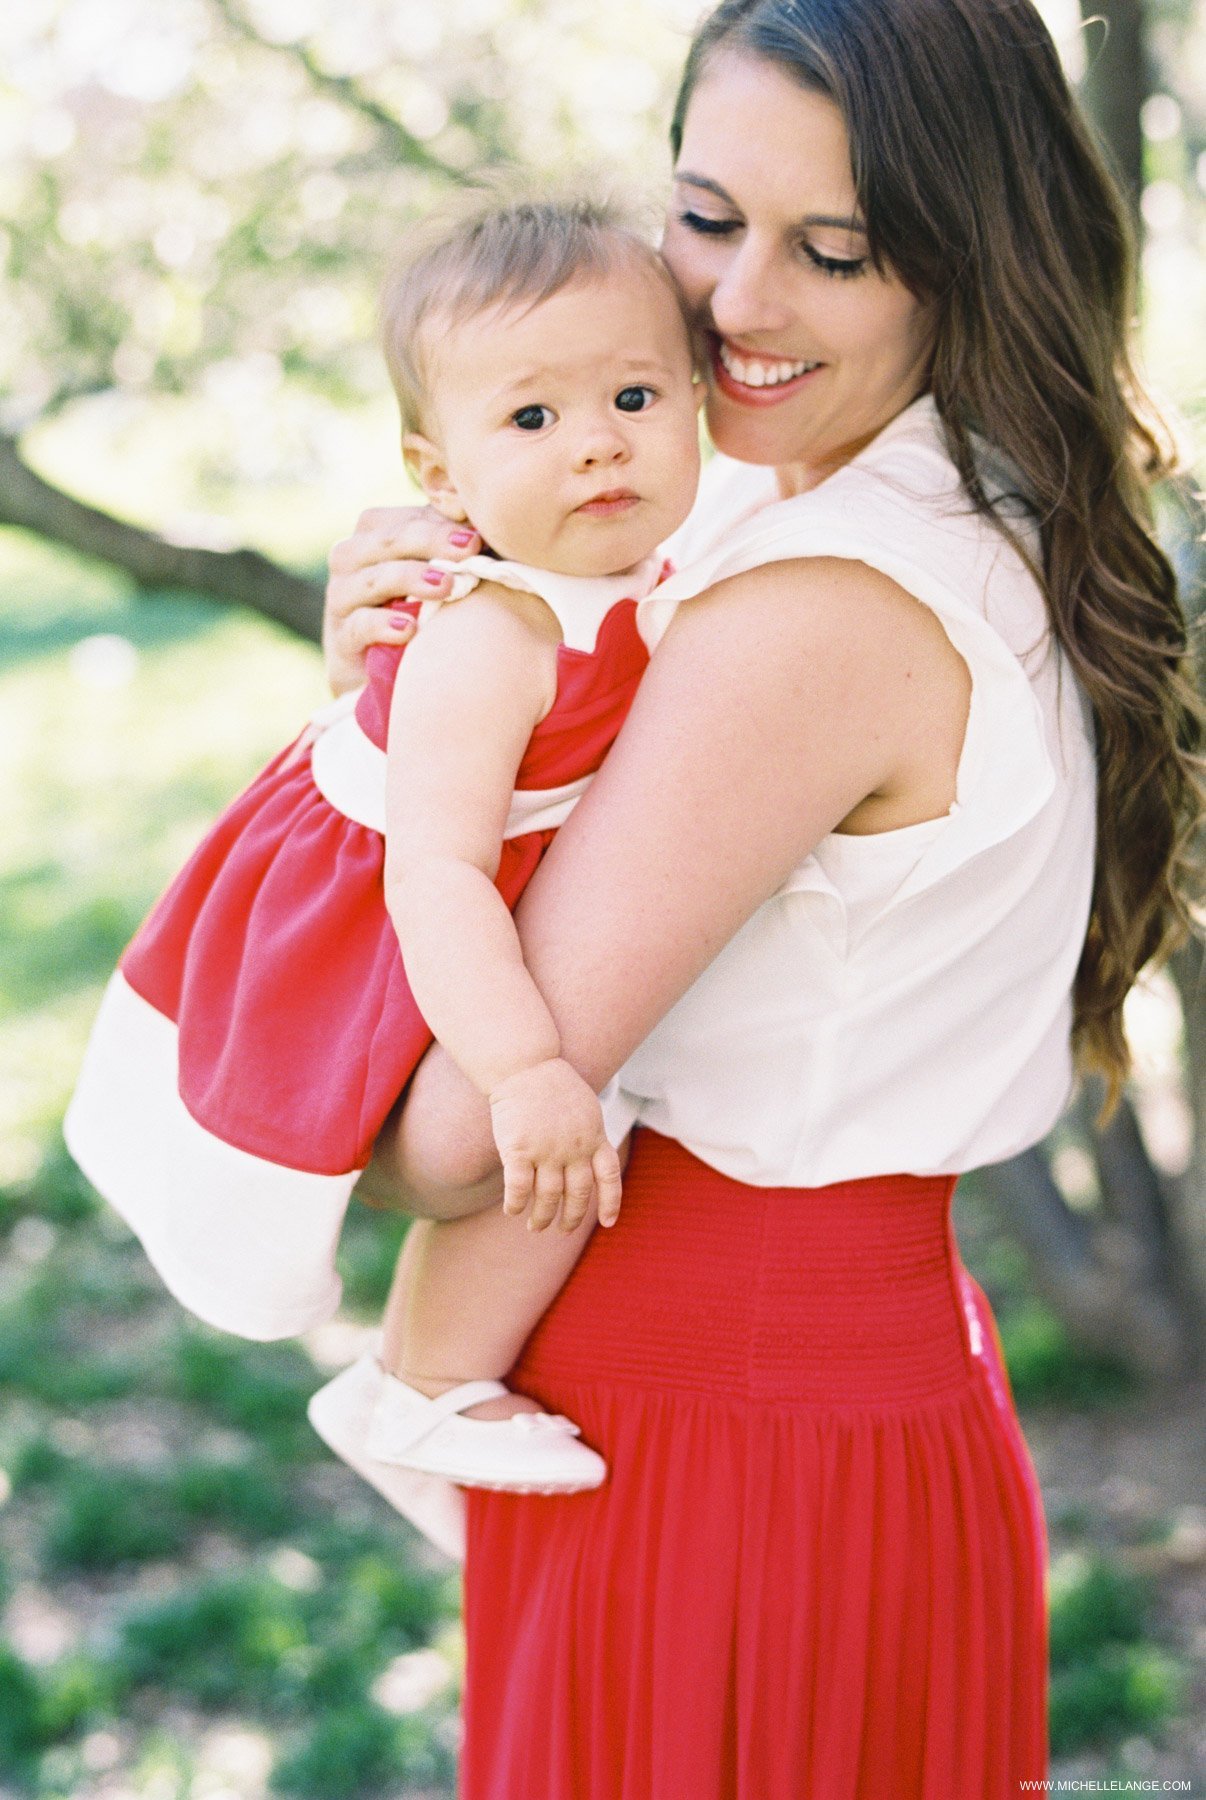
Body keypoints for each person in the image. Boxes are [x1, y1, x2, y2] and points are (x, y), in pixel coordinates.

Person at [322, 0, 1202, 1791]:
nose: (734, 305)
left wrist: (373, 800)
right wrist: (419, 695)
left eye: (835, 250)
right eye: (707, 216)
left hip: (710, 1421)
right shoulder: (947, 519)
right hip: (855, 1394)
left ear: (960, 266)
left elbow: (444, 1143)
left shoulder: (810, 607)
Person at [62, 195, 705, 1528]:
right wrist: (520, 1066)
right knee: (558, 1108)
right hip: (386, 895)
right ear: (438, 472)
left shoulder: (645, 568)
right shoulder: (497, 636)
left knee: (606, 1086)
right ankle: (419, 1379)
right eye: (531, 420)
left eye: (634, 396)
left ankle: (418, 1377)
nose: (594, 443)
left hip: (481, 874)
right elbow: (434, 877)